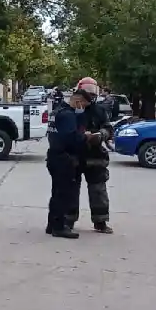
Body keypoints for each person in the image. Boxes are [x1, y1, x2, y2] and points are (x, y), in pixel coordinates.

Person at [68, 77, 115, 234]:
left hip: (95, 156)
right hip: (74, 155)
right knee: (71, 190)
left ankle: (100, 221)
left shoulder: (99, 110)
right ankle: (68, 220)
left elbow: (108, 129)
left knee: (98, 190)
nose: (89, 99)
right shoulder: (70, 110)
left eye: (92, 96)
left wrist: (100, 135)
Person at [45, 88, 88, 239]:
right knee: (64, 194)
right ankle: (59, 227)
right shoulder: (69, 115)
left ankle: (52, 225)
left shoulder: (57, 111)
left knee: (56, 192)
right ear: (78, 102)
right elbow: (72, 139)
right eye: (84, 105)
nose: (83, 109)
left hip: (54, 156)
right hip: (64, 158)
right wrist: (85, 136)